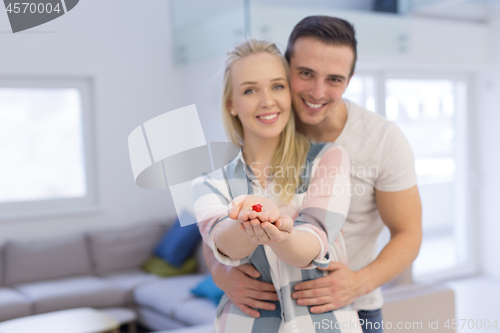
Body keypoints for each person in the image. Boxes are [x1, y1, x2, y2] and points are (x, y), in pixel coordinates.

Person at [203, 16, 423, 333]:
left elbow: (409, 233)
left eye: (334, 79)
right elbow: (213, 220)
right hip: (269, 313)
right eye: (306, 74)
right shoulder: (267, 123)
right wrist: (220, 273)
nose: (317, 92)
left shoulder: (382, 140)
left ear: (349, 80)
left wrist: (359, 283)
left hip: (350, 307)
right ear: (286, 67)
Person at [191, 39, 361, 332]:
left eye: (277, 86)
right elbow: (223, 243)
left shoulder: (328, 158)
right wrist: (255, 217)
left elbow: (313, 242)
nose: (267, 101)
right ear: (232, 104)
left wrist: (276, 228)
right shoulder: (207, 183)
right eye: (250, 90)